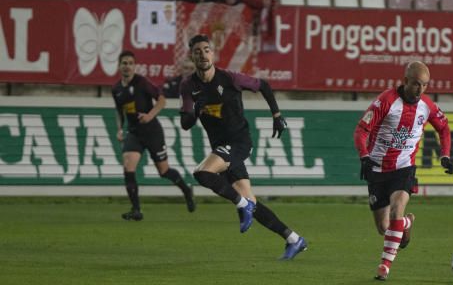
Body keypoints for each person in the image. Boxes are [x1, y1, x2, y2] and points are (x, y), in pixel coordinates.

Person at [179, 35, 307, 260]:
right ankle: (294, 239)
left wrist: (276, 115)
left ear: (213, 53)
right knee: (253, 202)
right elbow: (185, 124)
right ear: (191, 55)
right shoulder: (188, 86)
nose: (202, 54)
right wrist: (195, 111)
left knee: (202, 173)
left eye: (206, 49)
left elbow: (263, 85)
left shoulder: (229, 78)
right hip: (221, 147)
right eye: (197, 51)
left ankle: (241, 204)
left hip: (239, 142)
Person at [354, 61, 453, 281]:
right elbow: (361, 131)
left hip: (404, 168)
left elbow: (444, 128)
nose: (421, 90)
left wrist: (445, 154)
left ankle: (384, 266)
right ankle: (407, 223)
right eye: (417, 84)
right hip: (378, 169)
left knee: (396, 209)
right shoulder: (385, 102)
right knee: (384, 227)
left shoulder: (427, 105)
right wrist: (364, 156)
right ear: (406, 81)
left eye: (425, 85)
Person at [113, 51, 195, 221]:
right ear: (119, 66)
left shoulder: (142, 82)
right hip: (134, 133)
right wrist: (120, 129)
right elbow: (119, 111)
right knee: (128, 166)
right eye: (124, 63)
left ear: (134, 66)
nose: (127, 66)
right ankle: (136, 210)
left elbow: (162, 100)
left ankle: (186, 190)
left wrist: (150, 116)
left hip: (152, 132)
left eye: (130, 63)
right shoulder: (117, 89)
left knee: (163, 171)